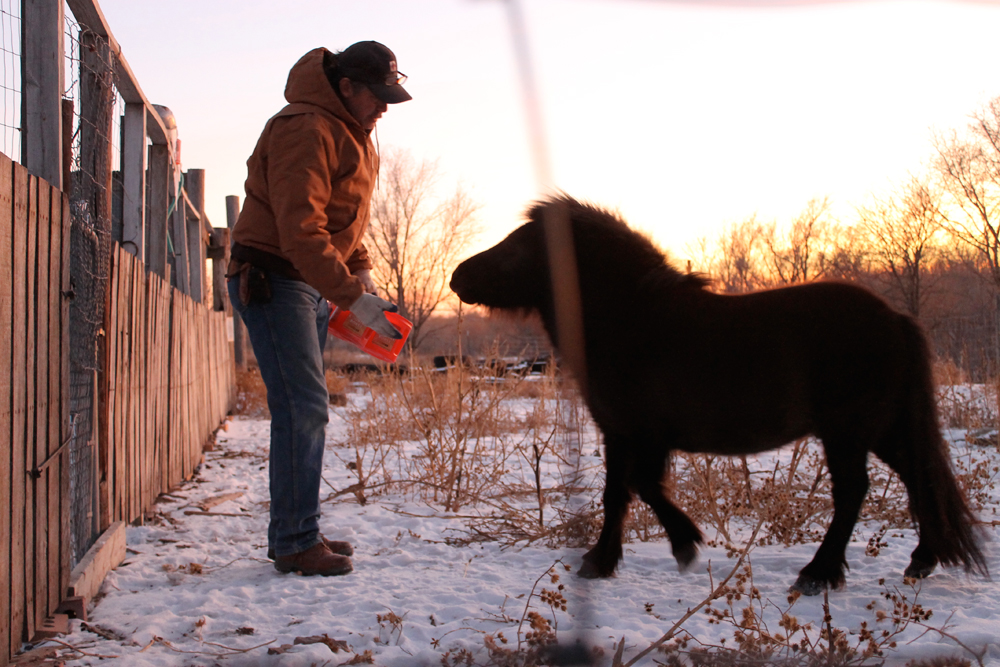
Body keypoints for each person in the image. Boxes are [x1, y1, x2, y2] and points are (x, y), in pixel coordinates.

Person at [227, 41, 411, 576]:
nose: (382, 108)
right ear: (346, 86)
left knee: (307, 407)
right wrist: (355, 297)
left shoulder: (352, 133)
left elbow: (341, 221)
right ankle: (295, 541)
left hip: (306, 283)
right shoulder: (305, 127)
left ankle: (297, 527)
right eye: (376, 96)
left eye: (389, 98)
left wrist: (362, 271)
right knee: (302, 407)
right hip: (274, 279)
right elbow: (302, 231)